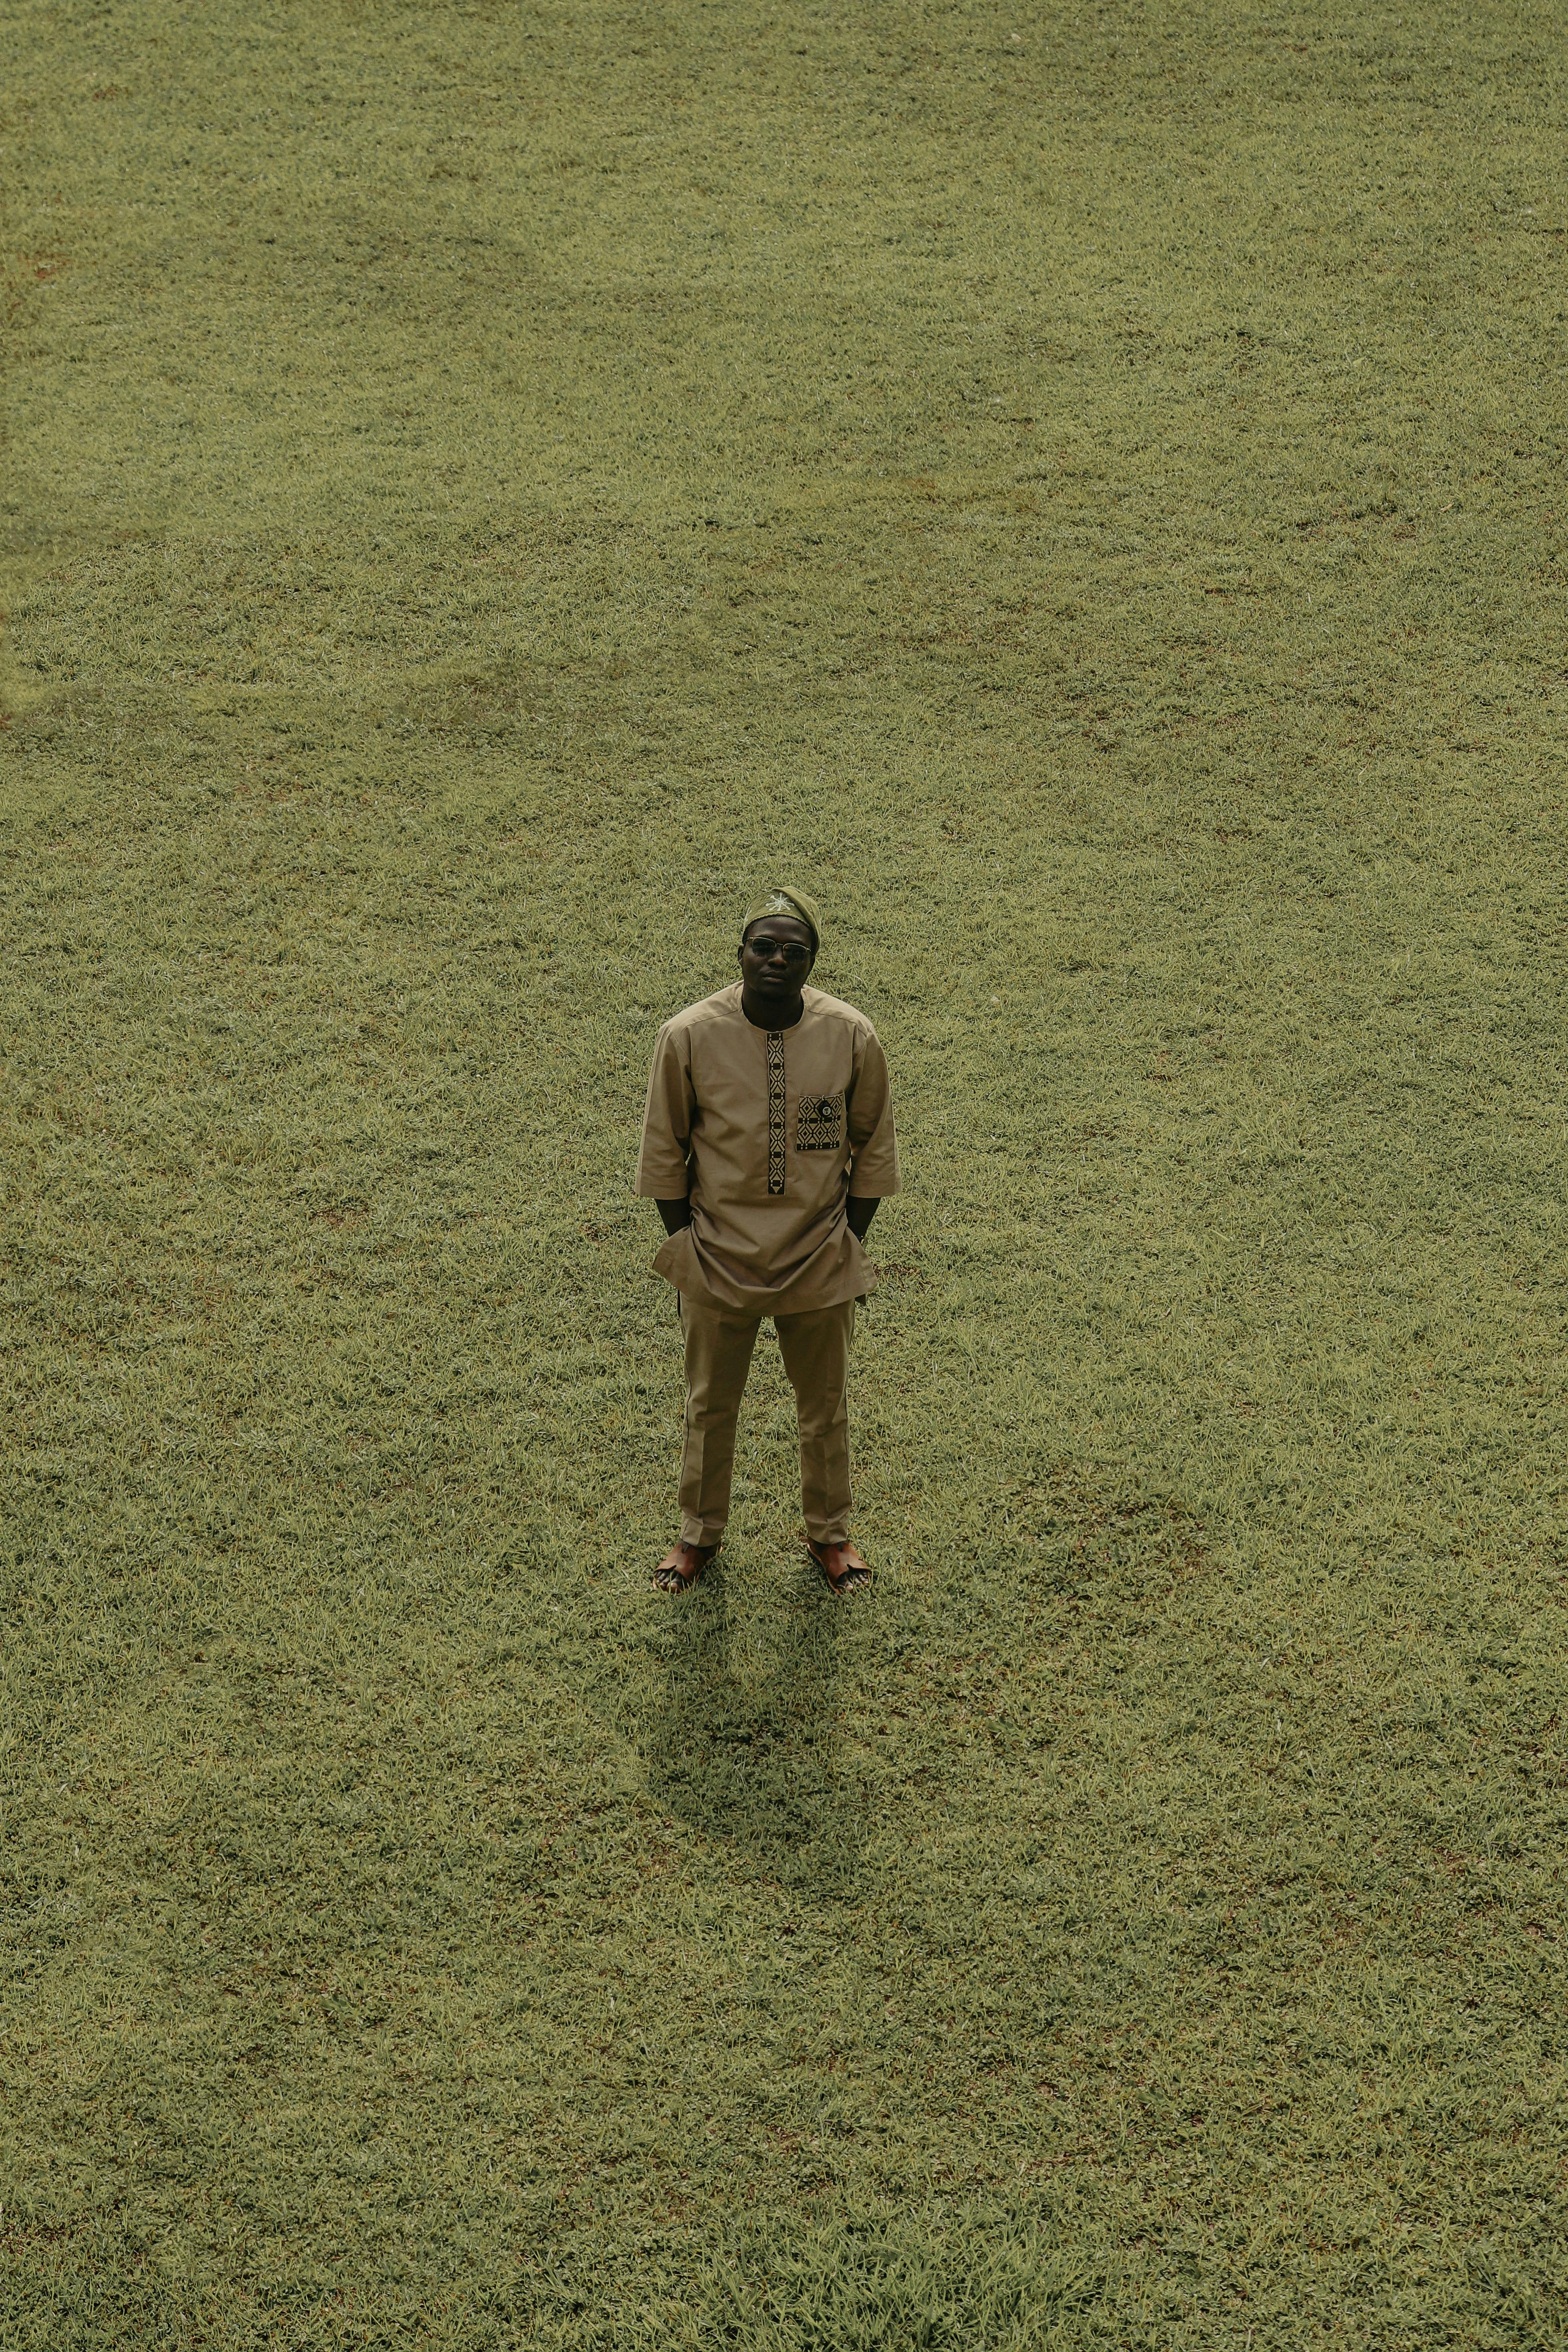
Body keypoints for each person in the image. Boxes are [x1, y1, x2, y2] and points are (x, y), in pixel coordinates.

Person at [635, 886, 900, 1597]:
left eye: (794, 951)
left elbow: (873, 1148)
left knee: (826, 1406)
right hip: (718, 1258)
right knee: (708, 1405)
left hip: (821, 1258)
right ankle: (697, 1537)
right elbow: (665, 1151)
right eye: (764, 947)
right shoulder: (688, 1036)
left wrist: (846, 1240)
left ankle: (832, 1536)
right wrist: (688, 1247)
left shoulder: (851, 1035)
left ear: (812, 962)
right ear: (741, 954)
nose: (777, 960)